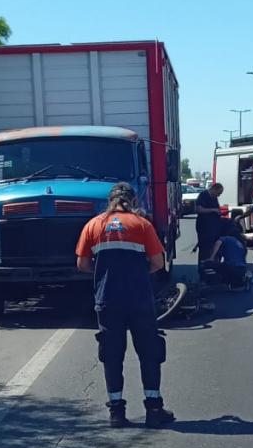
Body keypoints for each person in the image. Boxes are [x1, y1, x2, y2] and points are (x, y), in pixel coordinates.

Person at [76, 182, 176, 428]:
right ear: (132, 201)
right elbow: (157, 262)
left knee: (111, 355)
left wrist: (103, 275)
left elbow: (82, 264)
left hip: (108, 300)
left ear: (109, 200)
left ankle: (116, 413)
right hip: (139, 299)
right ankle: (154, 409)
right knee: (149, 353)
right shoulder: (142, 225)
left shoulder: (94, 225)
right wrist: (140, 273)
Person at [206, 221, 249, 287]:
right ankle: (235, 280)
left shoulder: (227, 238)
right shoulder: (240, 243)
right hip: (242, 269)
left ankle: (211, 281)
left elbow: (218, 242)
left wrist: (211, 257)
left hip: (231, 267)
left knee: (207, 264)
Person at [194, 183, 224, 259]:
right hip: (204, 227)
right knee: (204, 249)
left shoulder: (214, 198)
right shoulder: (203, 195)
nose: (219, 195)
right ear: (214, 189)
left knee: (212, 248)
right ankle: (203, 266)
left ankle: (211, 264)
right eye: (219, 193)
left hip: (213, 228)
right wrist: (213, 210)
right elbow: (198, 209)